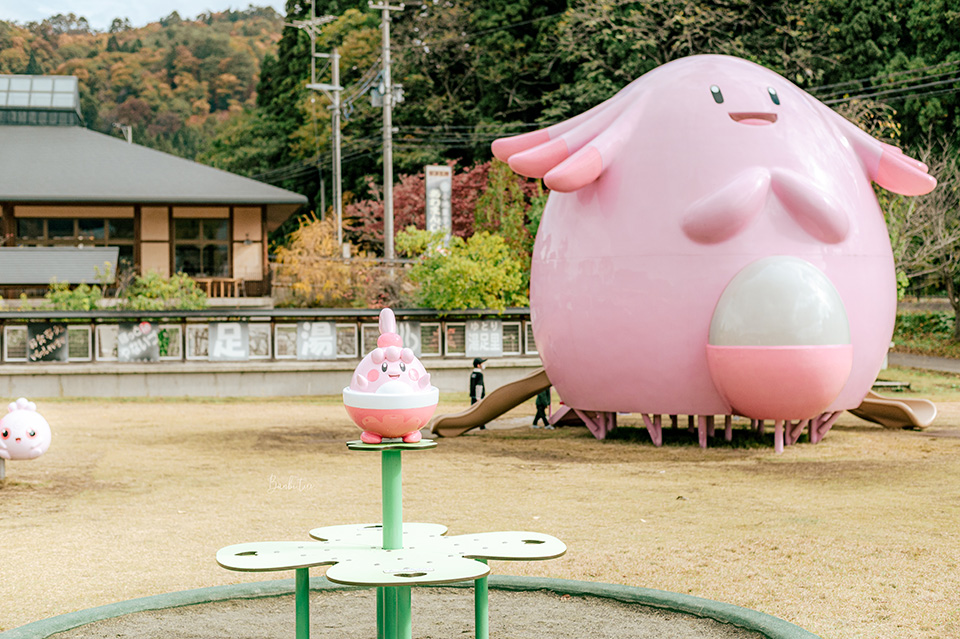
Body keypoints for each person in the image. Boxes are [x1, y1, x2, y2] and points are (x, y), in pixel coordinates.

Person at [469, 358, 487, 429]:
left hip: (473, 396)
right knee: (481, 412)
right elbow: (479, 386)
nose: (483, 365)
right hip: (478, 396)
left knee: (472, 411)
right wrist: (478, 397)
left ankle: (472, 425)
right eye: (482, 363)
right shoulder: (480, 374)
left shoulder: (473, 374)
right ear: (478, 365)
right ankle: (482, 426)